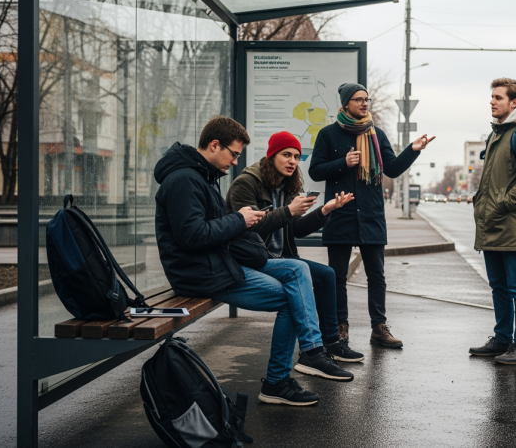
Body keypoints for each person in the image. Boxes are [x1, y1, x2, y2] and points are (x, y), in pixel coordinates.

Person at [154, 116, 352, 408]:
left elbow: (214, 229)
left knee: (298, 276)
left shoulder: (200, 177)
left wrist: (320, 211)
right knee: (293, 289)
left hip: (218, 264)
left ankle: (303, 360)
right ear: (213, 145)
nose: (235, 162)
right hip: (202, 274)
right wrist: (240, 219)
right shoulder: (185, 180)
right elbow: (191, 237)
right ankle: (288, 372)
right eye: (233, 154)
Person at [309, 83, 435, 348]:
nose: (364, 103)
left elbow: (391, 169)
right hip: (340, 214)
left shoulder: (376, 134)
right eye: (358, 99)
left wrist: (413, 150)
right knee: (337, 276)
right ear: (345, 105)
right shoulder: (328, 134)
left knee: (376, 275)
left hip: (371, 215)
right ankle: (339, 330)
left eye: (366, 99)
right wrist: (343, 163)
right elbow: (315, 171)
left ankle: (379, 328)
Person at [225, 131, 365, 366]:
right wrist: (289, 211)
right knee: (299, 270)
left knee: (327, 275)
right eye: (286, 154)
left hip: (280, 258)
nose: (292, 161)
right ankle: (311, 352)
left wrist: (324, 212)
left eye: (297, 157)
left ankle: (332, 342)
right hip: (253, 259)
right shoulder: (246, 184)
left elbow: (296, 230)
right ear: (271, 156)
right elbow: (249, 228)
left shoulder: (286, 186)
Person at [468, 78, 516, 365]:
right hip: (492, 222)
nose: (492, 101)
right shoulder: (497, 134)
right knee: (498, 286)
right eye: (492, 96)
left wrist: (503, 203)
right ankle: (502, 338)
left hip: (512, 222)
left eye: (498, 97)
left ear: (514, 103)